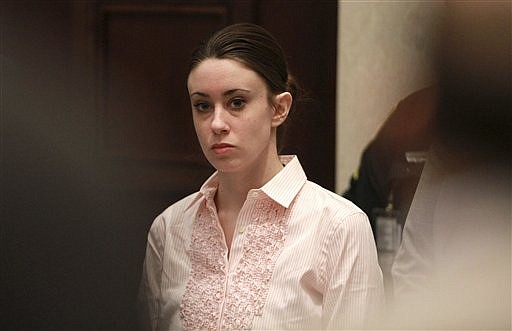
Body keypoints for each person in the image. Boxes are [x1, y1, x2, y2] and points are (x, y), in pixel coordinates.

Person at [138, 23, 384, 330]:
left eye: (236, 102)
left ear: (279, 108)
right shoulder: (169, 228)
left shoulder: (338, 226)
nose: (216, 123)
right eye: (202, 105)